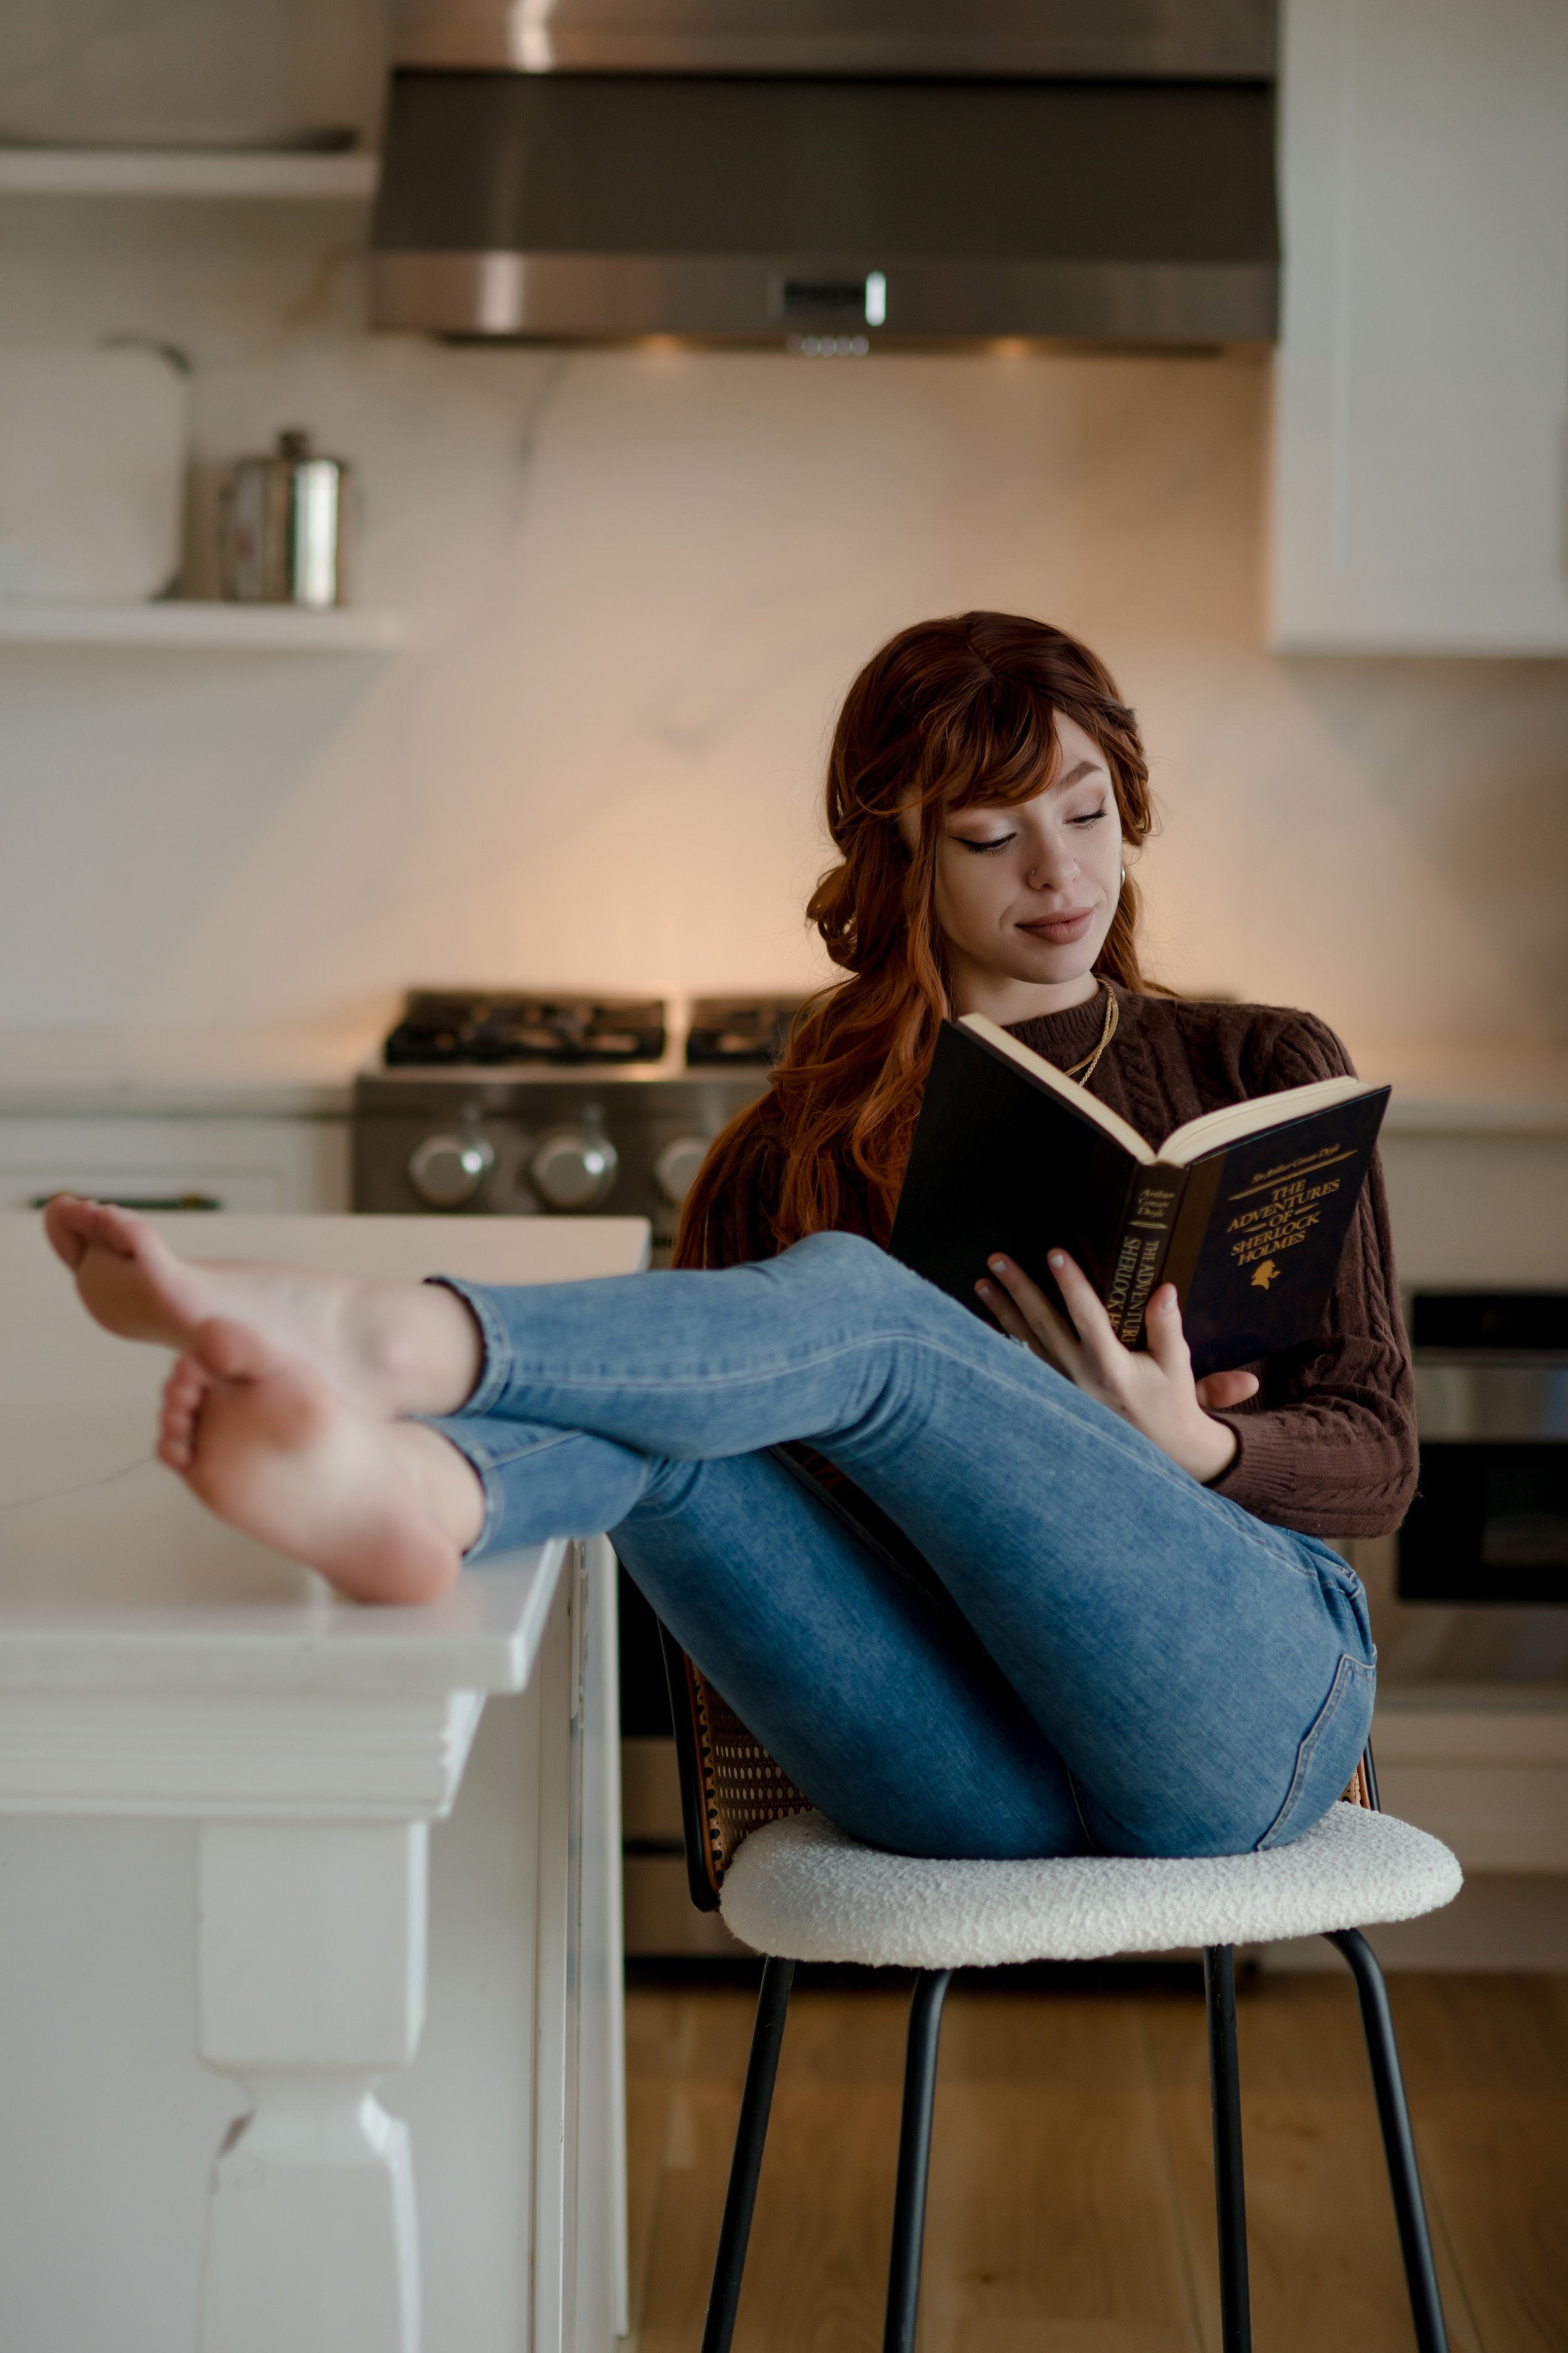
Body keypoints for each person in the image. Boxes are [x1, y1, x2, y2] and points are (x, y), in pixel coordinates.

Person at [45, 613, 1414, 1864]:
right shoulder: (796, 1143)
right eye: (991, 838)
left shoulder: (1259, 1064)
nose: (1059, 873)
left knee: (861, 1312)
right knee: (679, 1447)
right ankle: (423, 1496)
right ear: (905, 857)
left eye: (1087, 813)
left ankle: (386, 1335)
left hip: (1234, 1724)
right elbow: (789, 1535)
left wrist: (1196, 1448)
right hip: (956, 1762)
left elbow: (1377, 1453)